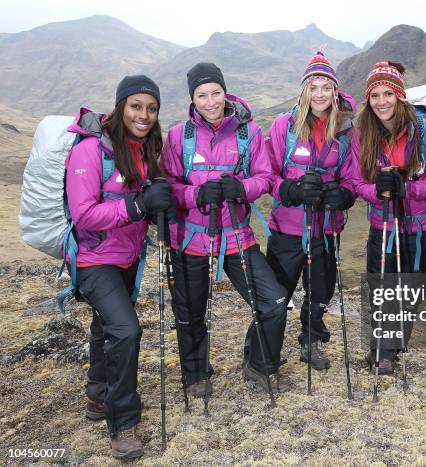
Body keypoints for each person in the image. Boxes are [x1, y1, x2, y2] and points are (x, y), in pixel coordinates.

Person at [162, 63, 289, 396]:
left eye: (215, 92)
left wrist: (241, 189)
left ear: (225, 92)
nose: (210, 101)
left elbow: (264, 178)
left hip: (236, 238)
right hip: (191, 240)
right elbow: (167, 186)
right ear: (193, 98)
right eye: (202, 95)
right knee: (189, 314)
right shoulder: (179, 136)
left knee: (274, 301)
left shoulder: (248, 133)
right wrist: (196, 194)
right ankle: (196, 374)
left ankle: (260, 366)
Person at [65, 75, 174, 459]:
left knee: (106, 325)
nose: (144, 115)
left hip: (127, 258)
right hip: (94, 261)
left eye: (152, 108)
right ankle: (122, 422)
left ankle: (97, 396)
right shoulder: (90, 151)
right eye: (136, 106)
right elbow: (83, 214)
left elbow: (145, 201)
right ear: (120, 106)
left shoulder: (144, 149)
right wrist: (137, 207)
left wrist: (159, 211)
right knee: (126, 331)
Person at [348, 61, 426, 374]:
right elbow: (355, 182)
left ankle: (394, 344)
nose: (381, 101)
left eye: (388, 93)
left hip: (422, 226)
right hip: (383, 224)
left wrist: (407, 189)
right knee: (381, 288)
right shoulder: (362, 134)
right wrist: (378, 190)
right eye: (374, 95)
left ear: (400, 95)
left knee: (412, 288)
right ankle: (382, 352)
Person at [266, 50, 356, 370]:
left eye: (326, 87)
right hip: (288, 228)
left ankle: (311, 340)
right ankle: (265, 352)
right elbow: (268, 175)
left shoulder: (345, 131)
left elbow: (352, 178)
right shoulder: (283, 126)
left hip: (326, 227)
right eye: (313, 87)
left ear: (335, 91)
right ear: (304, 91)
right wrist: (289, 190)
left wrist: (343, 195)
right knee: (276, 293)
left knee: (321, 289)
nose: (319, 94)